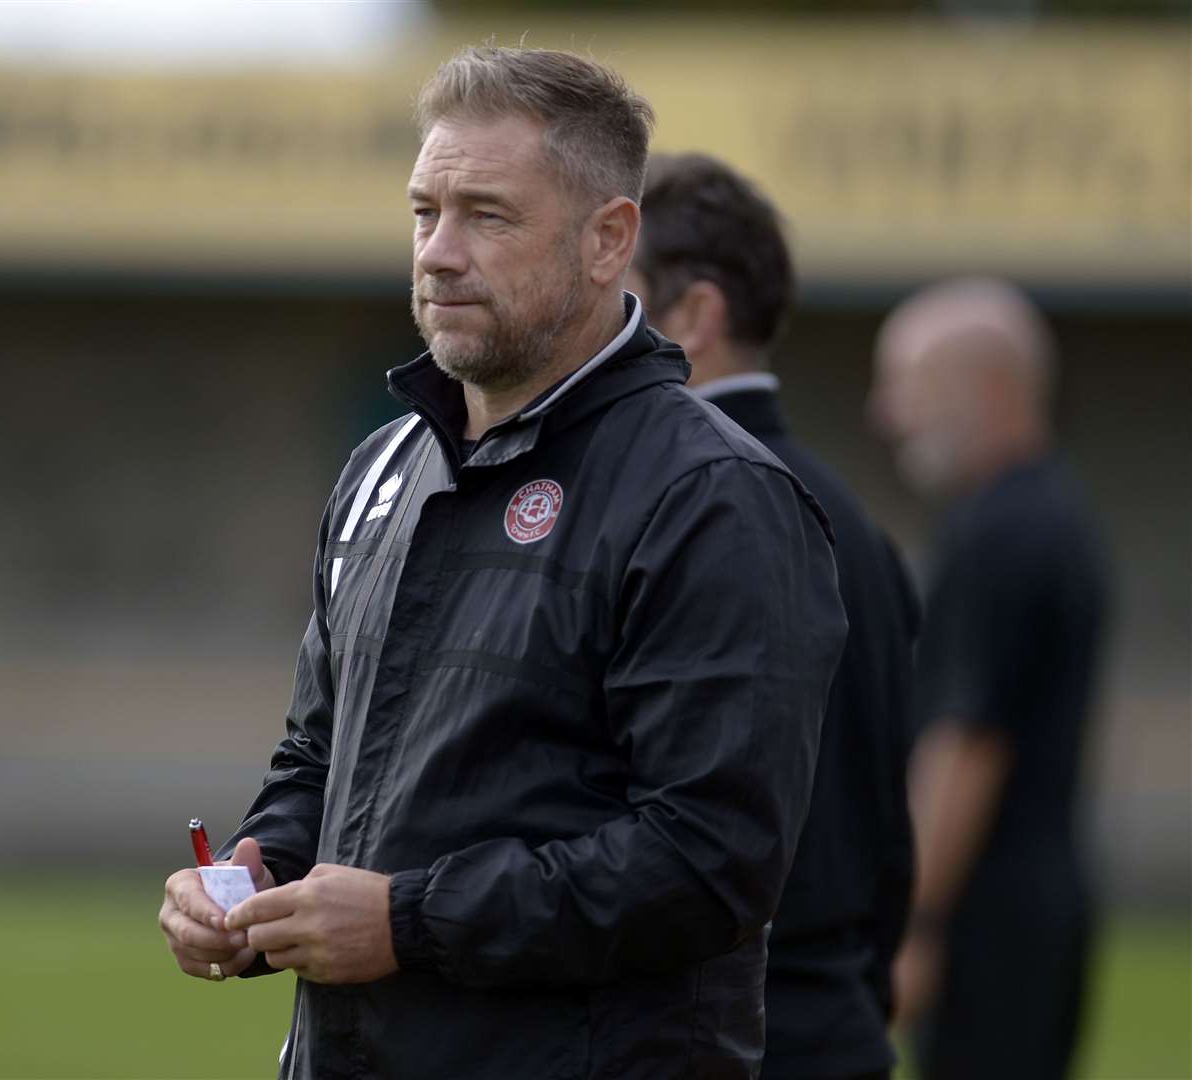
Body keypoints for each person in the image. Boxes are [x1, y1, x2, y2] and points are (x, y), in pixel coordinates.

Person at [158, 46, 847, 1079]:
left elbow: (709, 861)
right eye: (423, 212)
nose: (438, 253)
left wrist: (409, 920)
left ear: (609, 240)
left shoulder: (711, 496)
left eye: (487, 215)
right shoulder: (384, 466)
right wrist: (258, 880)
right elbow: (320, 761)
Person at [629, 153, 920, 1080]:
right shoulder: (857, 520)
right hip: (840, 1023)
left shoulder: (687, 507)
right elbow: (889, 827)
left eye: (614, 287)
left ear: (695, 316)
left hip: (734, 1036)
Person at [870, 278, 1109, 1080]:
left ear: (991, 387)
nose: (888, 415)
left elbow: (968, 743)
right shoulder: (1050, 512)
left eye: (908, 387)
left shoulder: (999, 535)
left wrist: (920, 923)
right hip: (1032, 908)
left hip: (989, 916)